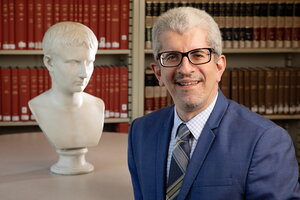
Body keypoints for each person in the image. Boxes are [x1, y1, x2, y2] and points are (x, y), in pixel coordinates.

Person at [128, 7, 300, 200]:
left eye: (198, 55)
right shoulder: (141, 132)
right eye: (172, 57)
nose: (185, 69)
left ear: (219, 67)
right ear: (158, 72)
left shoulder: (265, 140)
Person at [29, 22, 104, 149]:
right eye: (74, 62)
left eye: (89, 62)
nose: (84, 74)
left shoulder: (98, 105)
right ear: (49, 63)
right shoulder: (37, 106)